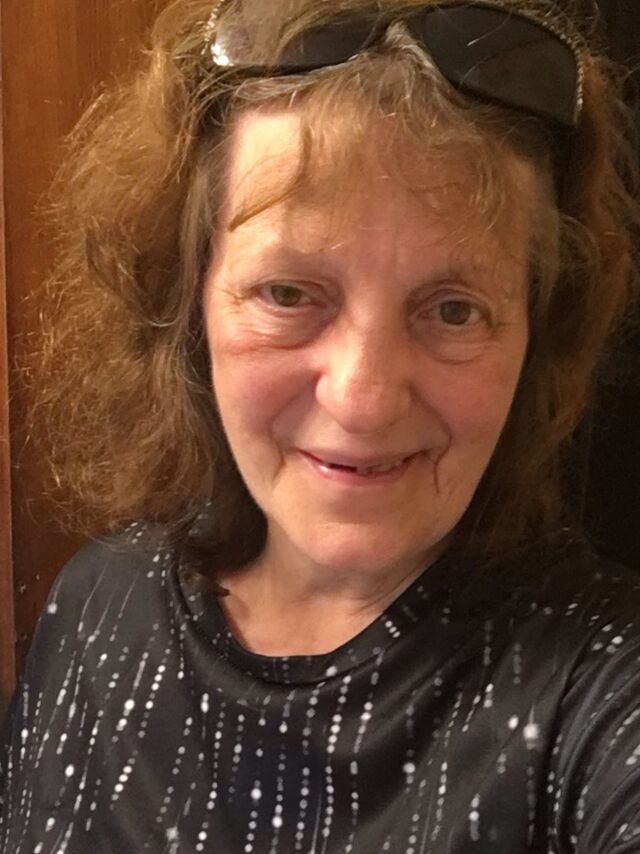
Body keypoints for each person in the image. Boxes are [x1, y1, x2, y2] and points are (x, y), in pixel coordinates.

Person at [1, 0, 640, 851]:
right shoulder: (98, 604)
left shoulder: (599, 680)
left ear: (533, 338)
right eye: (288, 293)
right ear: (190, 308)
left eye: (454, 309)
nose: (362, 399)